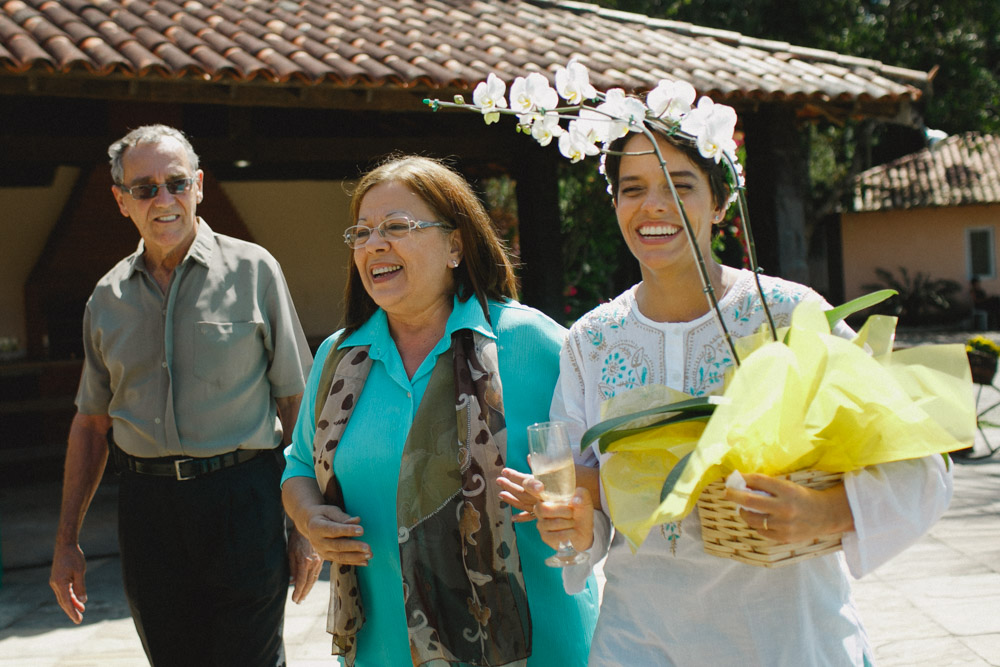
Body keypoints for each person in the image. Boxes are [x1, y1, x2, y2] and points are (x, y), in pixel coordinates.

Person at [502, 121, 954, 664]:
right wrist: (574, 521)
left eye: (680, 185)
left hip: (788, 639)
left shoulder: (789, 314)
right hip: (640, 641)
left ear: (719, 202)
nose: (653, 206)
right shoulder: (592, 341)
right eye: (633, 188)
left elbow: (923, 465)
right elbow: (589, 503)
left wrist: (826, 512)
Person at [281, 155, 599, 666]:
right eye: (361, 233)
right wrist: (311, 518)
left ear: (455, 245)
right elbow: (298, 466)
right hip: (382, 650)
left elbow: (603, 467)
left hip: (535, 649)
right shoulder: (338, 359)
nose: (374, 244)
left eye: (397, 227)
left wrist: (569, 505)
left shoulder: (533, 343)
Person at [49, 125, 321, 666]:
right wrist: (66, 541)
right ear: (121, 201)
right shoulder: (106, 298)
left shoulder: (255, 270)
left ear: (198, 185)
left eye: (175, 183)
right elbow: (90, 425)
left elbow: (297, 403)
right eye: (145, 188)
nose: (164, 200)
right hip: (149, 512)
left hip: (244, 500)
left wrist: (306, 525)